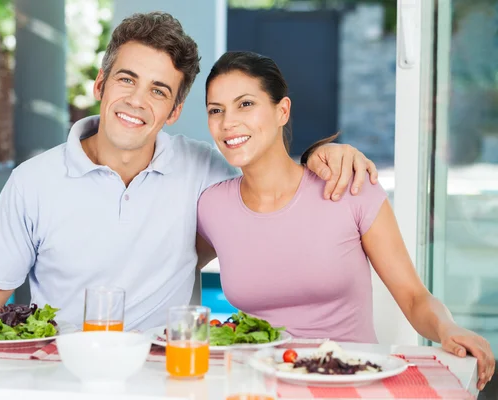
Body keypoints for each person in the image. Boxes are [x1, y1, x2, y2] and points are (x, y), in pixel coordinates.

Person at [0, 12, 378, 333]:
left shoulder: (205, 171)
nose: (136, 101)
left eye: (158, 90)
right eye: (127, 80)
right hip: (68, 375)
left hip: (170, 375)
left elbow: (273, 184)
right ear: (101, 84)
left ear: (173, 110)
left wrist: (326, 156)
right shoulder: (33, 182)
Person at [196, 50, 495, 390]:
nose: (228, 122)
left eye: (245, 104)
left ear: (282, 111)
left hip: (352, 383)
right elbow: (174, 264)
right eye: (215, 110)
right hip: (258, 386)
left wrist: (448, 328)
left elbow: (413, 297)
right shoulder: (213, 207)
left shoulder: (349, 186)